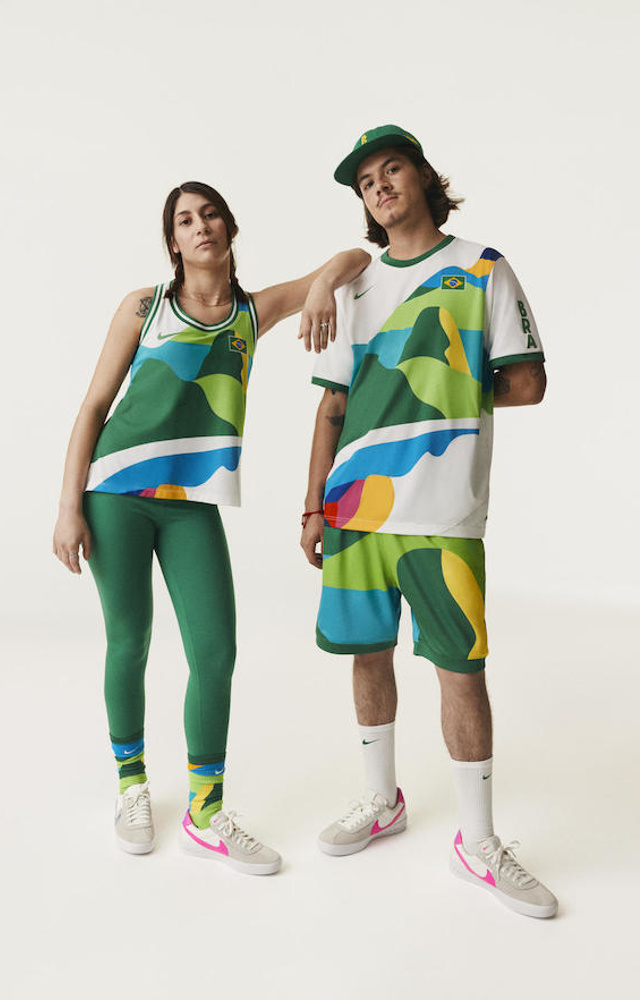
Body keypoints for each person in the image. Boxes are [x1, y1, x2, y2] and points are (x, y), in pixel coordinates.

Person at [53, 180, 369, 875]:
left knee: (216, 652)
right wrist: (68, 505)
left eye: (210, 214)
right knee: (130, 639)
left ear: (229, 227)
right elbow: (94, 405)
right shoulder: (144, 307)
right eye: (185, 220)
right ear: (173, 241)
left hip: (191, 502)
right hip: (115, 491)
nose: (200, 227)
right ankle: (132, 786)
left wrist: (321, 288)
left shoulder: (252, 312)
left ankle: (204, 812)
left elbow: (355, 258)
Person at [301, 126, 558, 917]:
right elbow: (333, 406)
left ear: (422, 178)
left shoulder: (482, 267)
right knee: (366, 653)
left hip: (443, 509)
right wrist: (312, 504)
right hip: (353, 506)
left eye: (392, 170)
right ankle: (383, 800)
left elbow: (528, 383)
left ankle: (477, 841)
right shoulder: (353, 287)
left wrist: (445, 395)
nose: (380, 186)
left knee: (460, 669)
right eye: (366, 182)